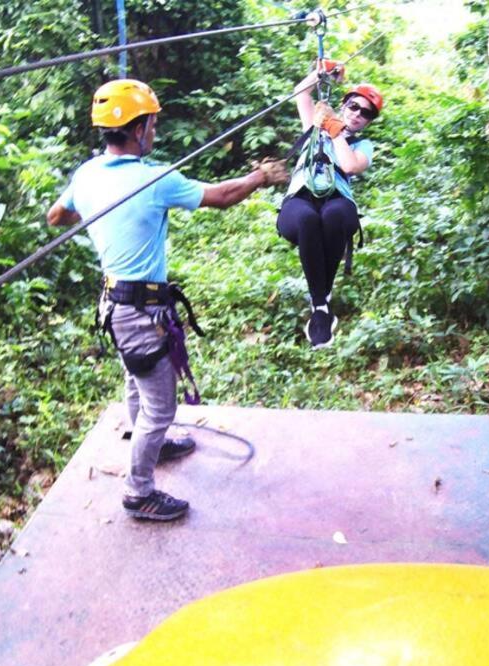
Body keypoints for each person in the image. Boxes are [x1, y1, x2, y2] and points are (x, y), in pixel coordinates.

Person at [47, 79, 288, 521]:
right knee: (161, 407)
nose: (155, 132)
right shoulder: (153, 179)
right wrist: (260, 177)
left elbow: (56, 216)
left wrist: (100, 210)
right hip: (139, 312)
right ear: (137, 130)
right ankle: (138, 492)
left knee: (137, 382)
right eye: (152, 124)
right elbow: (222, 196)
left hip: (116, 307)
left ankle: (150, 446)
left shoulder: (87, 174)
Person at [277, 69, 384, 348]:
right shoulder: (313, 125)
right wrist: (321, 72)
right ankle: (321, 304)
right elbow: (302, 92)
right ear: (344, 103)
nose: (358, 113)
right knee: (308, 219)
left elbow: (349, 165)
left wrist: (334, 128)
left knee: (333, 214)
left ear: (369, 122)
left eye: (366, 113)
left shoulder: (363, 145)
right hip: (300, 198)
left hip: (338, 200)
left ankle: (320, 309)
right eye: (354, 106)